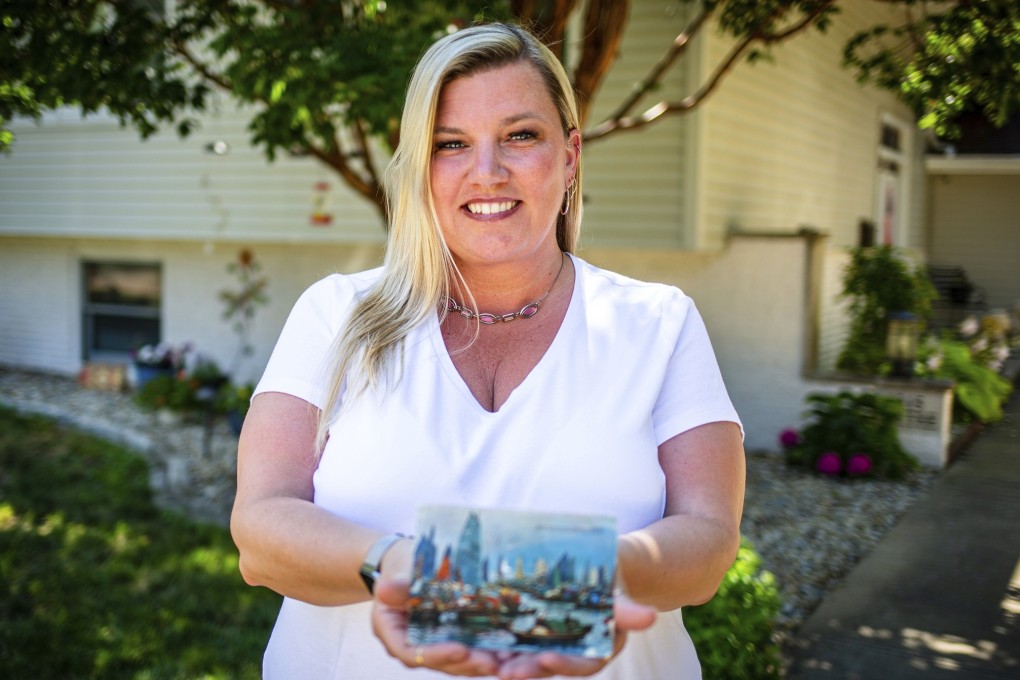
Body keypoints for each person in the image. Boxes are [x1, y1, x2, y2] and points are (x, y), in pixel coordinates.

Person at [231, 21, 745, 680]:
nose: (487, 172)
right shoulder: (335, 316)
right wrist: (397, 568)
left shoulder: (659, 323)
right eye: (451, 144)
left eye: (520, 136)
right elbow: (261, 532)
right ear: (421, 165)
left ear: (570, 155)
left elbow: (707, 543)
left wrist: (589, 577)